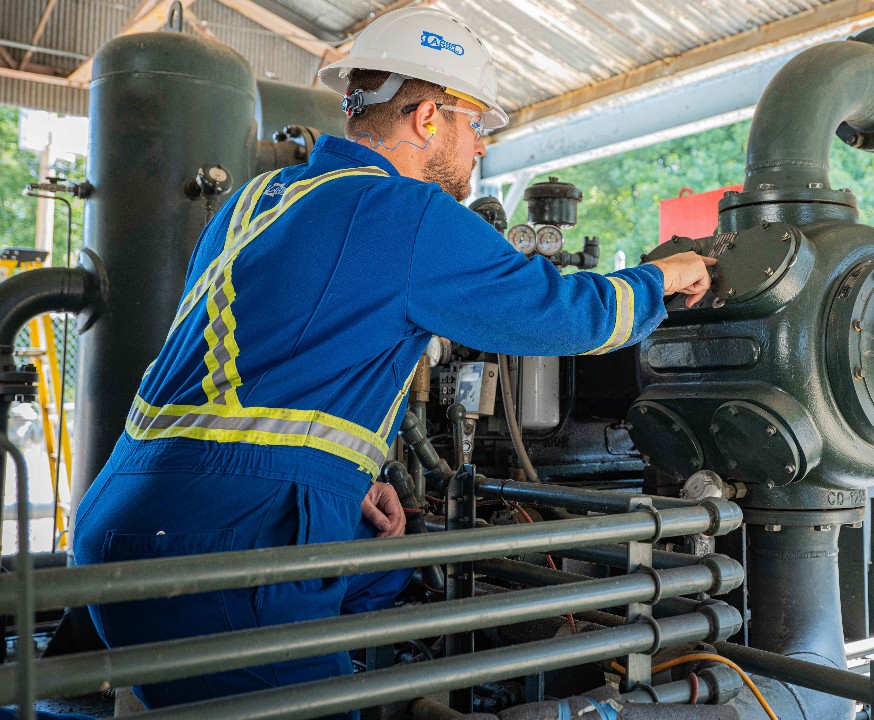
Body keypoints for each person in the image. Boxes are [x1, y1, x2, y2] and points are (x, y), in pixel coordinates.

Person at [71, 6, 715, 712]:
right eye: (477, 125)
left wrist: (357, 469)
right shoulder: (403, 212)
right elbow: (568, 313)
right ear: (429, 116)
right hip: (226, 543)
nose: (479, 149)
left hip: (127, 520)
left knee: (384, 583)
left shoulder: (255, 200)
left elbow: (276, 357)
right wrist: (665, 278)